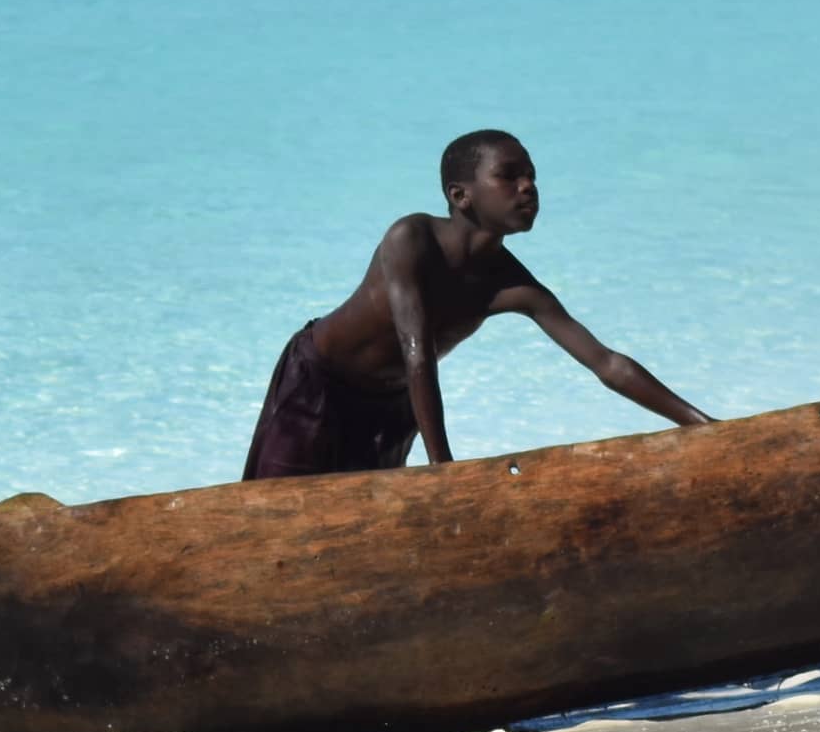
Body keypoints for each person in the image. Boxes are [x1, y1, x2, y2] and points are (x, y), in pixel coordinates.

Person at [245, 131, 712, 479]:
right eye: (509, 176)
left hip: (394, 404)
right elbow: (417, 355)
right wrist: (444, 471)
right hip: (319, 383)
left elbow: (607, 364)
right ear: (460, 195)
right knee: (270, 510)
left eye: (531, 176)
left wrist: (704, 428)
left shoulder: (512, 284)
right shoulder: (411, 239)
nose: (528, 187)